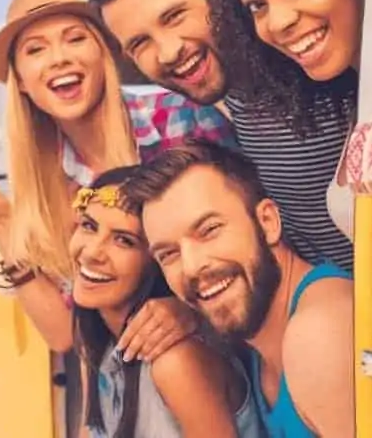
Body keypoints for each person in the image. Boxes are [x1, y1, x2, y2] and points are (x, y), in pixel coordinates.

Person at [0, 0, 236, 360]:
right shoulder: (48, 181)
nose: (59, 58)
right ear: (23, 83)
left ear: (102, 53)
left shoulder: (179, 117)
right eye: (36, 49)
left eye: (75, 38)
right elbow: (64, 335)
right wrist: (2, 226)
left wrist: (190, 309)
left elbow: (263, 248)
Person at [85, 0, 372, 273]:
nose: (169, 50)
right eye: (141, 43)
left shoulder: (318, 65)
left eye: (173, 16)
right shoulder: (231, 108)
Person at [121, 141, 354, 438]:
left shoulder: (318, 333)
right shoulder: (259, 338)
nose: (191, 267)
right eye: (169, 254)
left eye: (209, 231)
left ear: (267, 222)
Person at [71, 165, 263, 438]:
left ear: (158, 261)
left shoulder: (175, 362)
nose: (91, 253)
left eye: (123, 241)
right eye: (89, 226)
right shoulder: (93, 336)